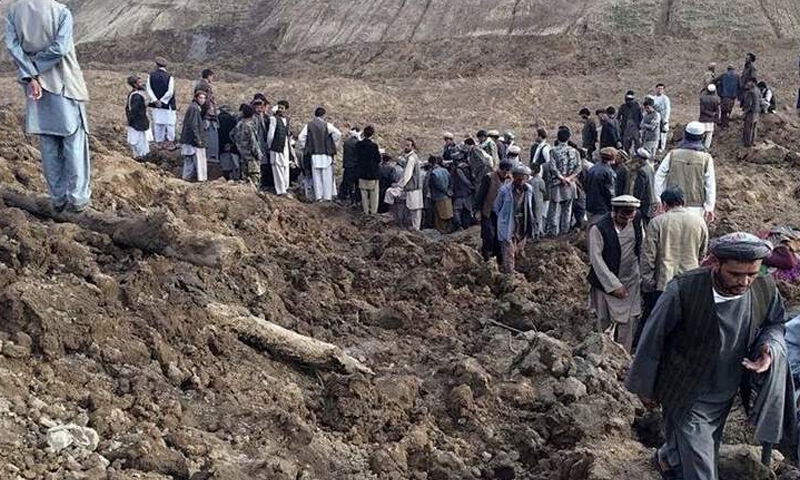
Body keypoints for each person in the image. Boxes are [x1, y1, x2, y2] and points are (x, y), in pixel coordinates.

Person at [628, 232, 790, 480]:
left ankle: (668, 458)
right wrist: (644, 386)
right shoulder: (684, 288)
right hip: (684, 388)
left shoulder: (764, 287)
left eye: (752, 274)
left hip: (726, 388)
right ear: (717, 264)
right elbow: (653, 337)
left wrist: (769, 347)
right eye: (735, 274)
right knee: (701, 462)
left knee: (705, 443)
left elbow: (775, 323)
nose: (745, 282)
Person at [6, 0, 91, 212]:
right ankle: (78, 198)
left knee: (48, 142)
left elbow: (13, 47)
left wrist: (31, 74)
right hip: (64, 84)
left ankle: (57, 198)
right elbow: (60, 48)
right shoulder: (61, 11)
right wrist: (38, 68)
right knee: (74, 140)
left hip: (35, 88)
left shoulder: (14, 12)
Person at [640, 186, 708, 322]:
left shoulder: (657, 223)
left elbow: (648, 256)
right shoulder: (699, 222)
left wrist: (648, 283)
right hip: (689, 281)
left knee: (658, 323)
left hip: (663, 283)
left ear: (664, 204)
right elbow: (703, 252)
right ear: (683, 201)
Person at [587, 195, 643, 352]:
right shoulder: (598, 228)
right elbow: (596, 260)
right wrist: (614, 286)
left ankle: (623, 355)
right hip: (605, 282)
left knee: (630, 320)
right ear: (614, 212)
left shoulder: (637, 219)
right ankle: (602, 354)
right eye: (623, 216)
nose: (627, 220)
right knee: (604, 320)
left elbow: (640, 245)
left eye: (630, 216)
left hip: (631, 278)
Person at [654, 122, 716, 222]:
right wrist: (709, 207)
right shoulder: (706, 159)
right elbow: (710, 185)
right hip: (696, 207)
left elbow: (659, 177)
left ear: (685, 135)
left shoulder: (672, 155)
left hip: (672, 205)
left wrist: (659, 200)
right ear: (702, 137)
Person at [494, 165, 536, 273]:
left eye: (523, 179)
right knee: (508, 250)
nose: (521, 182)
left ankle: (519, 270)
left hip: (522, 223)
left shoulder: (529, 190)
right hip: (508, 224)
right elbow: (497, 207)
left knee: (519, 249)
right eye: (518, 179)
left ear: (527, 178)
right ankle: (510, 273)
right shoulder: (505, 190)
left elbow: (531, 206)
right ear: (513, 177)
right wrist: (503, 218)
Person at [297, 107, 341, 202]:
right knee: (327, 176)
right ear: (324, 115)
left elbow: (301, 138)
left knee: (317, 176)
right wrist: (333, 144)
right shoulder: (327, 125)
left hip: (314, 154)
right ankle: (327, 197)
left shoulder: (309, 125)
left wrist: (305, 146)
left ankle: (319, 197)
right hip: (326, 154)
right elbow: (338, 134)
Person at [546, 128, 581, 237]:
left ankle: (553, 233)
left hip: (557, 184)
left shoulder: (553, 150)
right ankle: (564, 232)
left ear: (557, 137)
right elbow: (578, 167)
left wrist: (562, 178)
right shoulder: (575, 151)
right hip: (570, 184)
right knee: (567, 210)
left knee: (554, 210)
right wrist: (569, 178)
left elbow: (553, 167)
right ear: (568, 138)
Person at [475, 161, 512, 261]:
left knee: (499, 235)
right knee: (488, 234)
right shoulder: (489, 178)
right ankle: (486, 256)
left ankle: (498, 256)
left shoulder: (510, 180)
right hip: (488, 210)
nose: (506, 174)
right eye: (504, 172)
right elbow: (481, 194)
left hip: (501, 213)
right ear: (499, 169)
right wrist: (478, 210)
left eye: (508, 172)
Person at [146, 57, 177, 148]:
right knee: (170, 124)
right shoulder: (169, 76)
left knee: (158, 123)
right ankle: (170, 143)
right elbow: (170, 91)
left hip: (156, 105)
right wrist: (163, 101)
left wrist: (155, 100)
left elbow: (149, 89)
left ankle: (159, 142)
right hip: (168, 104)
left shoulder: (151, 75)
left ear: (156, 65)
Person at [230, 103, 262, 185]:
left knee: (245, 180)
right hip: (251, 156)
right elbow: (253, 142)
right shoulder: (249, 126)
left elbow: (231, 135)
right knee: (254, 178)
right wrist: (258, 154)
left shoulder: (239, 124)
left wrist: (239, 144)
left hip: (242, 155)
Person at [180, 90, 207, 182]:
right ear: (196, 98)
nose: (202, 100)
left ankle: (185, 179)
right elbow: (194, 125)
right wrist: (198, 139)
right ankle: (199, 180)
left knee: (189, 161)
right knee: (198, 161)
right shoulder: (194, 108)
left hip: (188, 139)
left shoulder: (194, 107)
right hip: (192, 140)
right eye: (200, 98)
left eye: (204, 98)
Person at [585, 147, 617, 227]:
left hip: (590, 204)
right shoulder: (609, 172)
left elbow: (585, 185)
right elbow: (610, 192)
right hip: (602, 207)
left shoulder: (592, 169)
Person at [396, 138, 424, 230]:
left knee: (414, 211)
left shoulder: (411, 158)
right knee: (416, 211)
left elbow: (407, 175)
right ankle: (416, 228)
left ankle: (416, 229)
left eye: (408, 145)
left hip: (413, 188)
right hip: (416, 188)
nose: (406, 147)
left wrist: (400, 185)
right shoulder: (413, 157)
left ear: (412, 146)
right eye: (405, 145)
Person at [266, 100, 292, 196]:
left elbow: (271, 135)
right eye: (279, 107)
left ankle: (283, 189)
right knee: (278, 167)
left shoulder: (280, 119)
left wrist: (269, 146)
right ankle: (281, 189)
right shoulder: (274, 119)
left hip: (282, 147)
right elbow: (271, 135)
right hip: (278, 146)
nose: (280, 110)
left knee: (283, 167)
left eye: (282, 108)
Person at [194, 69, 219, 161]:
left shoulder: (199, 84)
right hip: (208, 115)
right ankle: (210, 156)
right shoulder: (205, 86)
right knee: (209, 136)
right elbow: (206, 101)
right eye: (212, 77)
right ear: (208, 76)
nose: (213, 79)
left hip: (206, 114)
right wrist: (204, 112)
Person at [355, 125, 381, 215]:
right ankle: (373, 213)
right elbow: (378, 159)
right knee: (374, 195)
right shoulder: (374, 146)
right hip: (372, 174)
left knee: (364, 195)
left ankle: (366, 212)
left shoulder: (358, 145)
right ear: (372, 134)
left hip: (362, 173)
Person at [125, 75, 151, 159]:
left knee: (140, 142)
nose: (141, 84)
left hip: (137, 123)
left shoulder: (134, 94)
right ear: (135, 84)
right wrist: (132, 121)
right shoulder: (136, 96)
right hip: (138, 123)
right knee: (139, 143)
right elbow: (134, 111)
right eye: (139, 82)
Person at [631, 147, 658, 225]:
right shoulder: (650, 168)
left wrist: (636, 200)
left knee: (641, 223)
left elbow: (640, 188)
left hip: (644, 202)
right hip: (652, 199)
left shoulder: (642, 171)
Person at [428, 156, 453, 233]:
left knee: (440, 216)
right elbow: (451, 182)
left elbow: (438, 185)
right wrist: (449, 191)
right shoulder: (445, 170)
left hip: (438, 197)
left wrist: (445, 191)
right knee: (448, 214)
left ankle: (442, 231)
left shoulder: (433, 173)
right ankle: (449, 230)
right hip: (447, 196)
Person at [339, 127, 361, 207]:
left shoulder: (347, 142)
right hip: (356, 166)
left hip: (348, 166)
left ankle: (342, 197)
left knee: (346, 182)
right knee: (356, 184)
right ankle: (355, 200)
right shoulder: (358, 143)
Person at [450, 157, 474, 230]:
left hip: (459, 194)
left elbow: (463, 181)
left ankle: (459, 226)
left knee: (457, 211)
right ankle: (466, 226)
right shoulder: (468, 167)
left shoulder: (456, 170)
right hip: (467, 193)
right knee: (466, 210)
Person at [217, 105, 240, 181]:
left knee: (225, 165)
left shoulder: (218, 119)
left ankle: (227, 178)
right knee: (234, 164)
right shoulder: (232, 119)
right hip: (232, 146)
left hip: (221, 146)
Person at [528, 163, 547, 240]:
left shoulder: (530, 181)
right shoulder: (540, 180)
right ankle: (538, 232)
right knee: (539, 217)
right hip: (539, 201)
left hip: (533, 201)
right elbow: (544, 190)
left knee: (534, 217)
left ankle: (536, 233)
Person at [698, 84, 720, 149]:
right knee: (709, 134)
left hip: (702, 119)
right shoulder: (716, 99)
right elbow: (718, 111)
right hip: (710, 120)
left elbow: (702, 110)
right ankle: (706, 148)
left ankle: (699, 146)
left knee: (701, 133)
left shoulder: (702, 98)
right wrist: (716, 118)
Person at [652, 83, 672, 153]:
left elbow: (667, 109)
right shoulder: (653, 98)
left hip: (663, 119)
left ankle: (662, 148)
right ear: (656, 89)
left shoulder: (665, 99)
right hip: (655, 118)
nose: (660, 90)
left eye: (661, 89)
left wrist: (666, 119)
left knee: (662, 134)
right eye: (659, 88)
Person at [742, 78, 760, 148]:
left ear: (753, 82)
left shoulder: (751, 92)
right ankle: (753, 142)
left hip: (751, 112)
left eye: (749, 82)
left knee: (748, 128)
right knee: (754, 128)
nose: (747, 84)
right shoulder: (757, 90)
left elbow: (749, 104)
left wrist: (745, 112)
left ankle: (747, 143)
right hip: (756, 111)